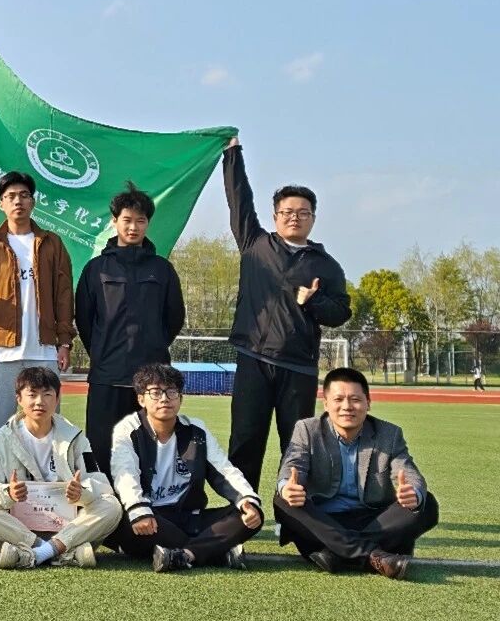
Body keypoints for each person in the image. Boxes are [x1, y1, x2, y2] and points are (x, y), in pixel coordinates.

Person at [223, 138, 352, 492]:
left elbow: (341, 312)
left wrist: (313, 301)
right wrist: (232, 154)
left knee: (296, 447)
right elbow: (239, 198)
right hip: (253, 358)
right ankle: (242, 510)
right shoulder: (255, 245)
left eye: (302, 212)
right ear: (275, 216)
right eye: (287, 211)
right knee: (245, 441)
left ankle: (292, 512)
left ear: (313, 218)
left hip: (298, 366)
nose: (294, 217)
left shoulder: (326, 265)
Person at [274, 367, 438, 580]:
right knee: (283, 500)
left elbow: (408, 471)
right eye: (338, 399)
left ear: (368, 403)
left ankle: (336, 552)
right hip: (324, 520)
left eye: (355, 400)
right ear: (326, 404)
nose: (347, 407)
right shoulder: (307, 429)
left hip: (373, 520)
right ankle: (374, 555)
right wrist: (288, 487)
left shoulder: (389, 434)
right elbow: (294, 463)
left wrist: (412, 492)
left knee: (427, 504)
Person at [76, 182, 185, 478]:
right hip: (107, 377)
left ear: (148, 223)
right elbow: (84, 319)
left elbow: (174, 318)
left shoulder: (162, 270)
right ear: (115, 222)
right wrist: (101, 351)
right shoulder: (96, 269)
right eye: (127, 220)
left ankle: (145, 503)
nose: (133, 227)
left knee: (149, 451)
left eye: (140, 220)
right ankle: (104, 503)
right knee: (101, 448)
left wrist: (153, 346)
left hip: (152, 379)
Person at [110, 364, 263, 573]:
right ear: (141, 399)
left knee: (251, 516)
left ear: (180, 398)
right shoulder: (128, 429)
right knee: (126, 520)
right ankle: (216, 551)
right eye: (155, 392)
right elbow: (125, 473)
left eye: (172, 392)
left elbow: (224, 469)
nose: (164, 399)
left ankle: (184, 555)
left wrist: (246, 499)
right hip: (153, 518)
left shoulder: (196, 430)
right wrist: (138, 507)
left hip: (190, 518)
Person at [0, 171, 75, 443]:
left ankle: (47, 473)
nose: (18, 201)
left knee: (47, 430)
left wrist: (64, 342)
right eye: (10, 196)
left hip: (44, 351)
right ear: (1, 203)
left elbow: (64, 296)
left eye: (24, 195)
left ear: (33, 202)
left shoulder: (52, 243)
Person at [0, 366, 121, 569]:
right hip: (18, 527)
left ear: (57, 399)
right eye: (32, 395)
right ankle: (54, 551)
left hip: (67, 525)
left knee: (111, 505)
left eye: (47, 394)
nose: (40, 402)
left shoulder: (75, 438)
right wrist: (8, 492)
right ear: (18, 399)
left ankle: (32, 553)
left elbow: (98, 481)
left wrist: (82, 492)